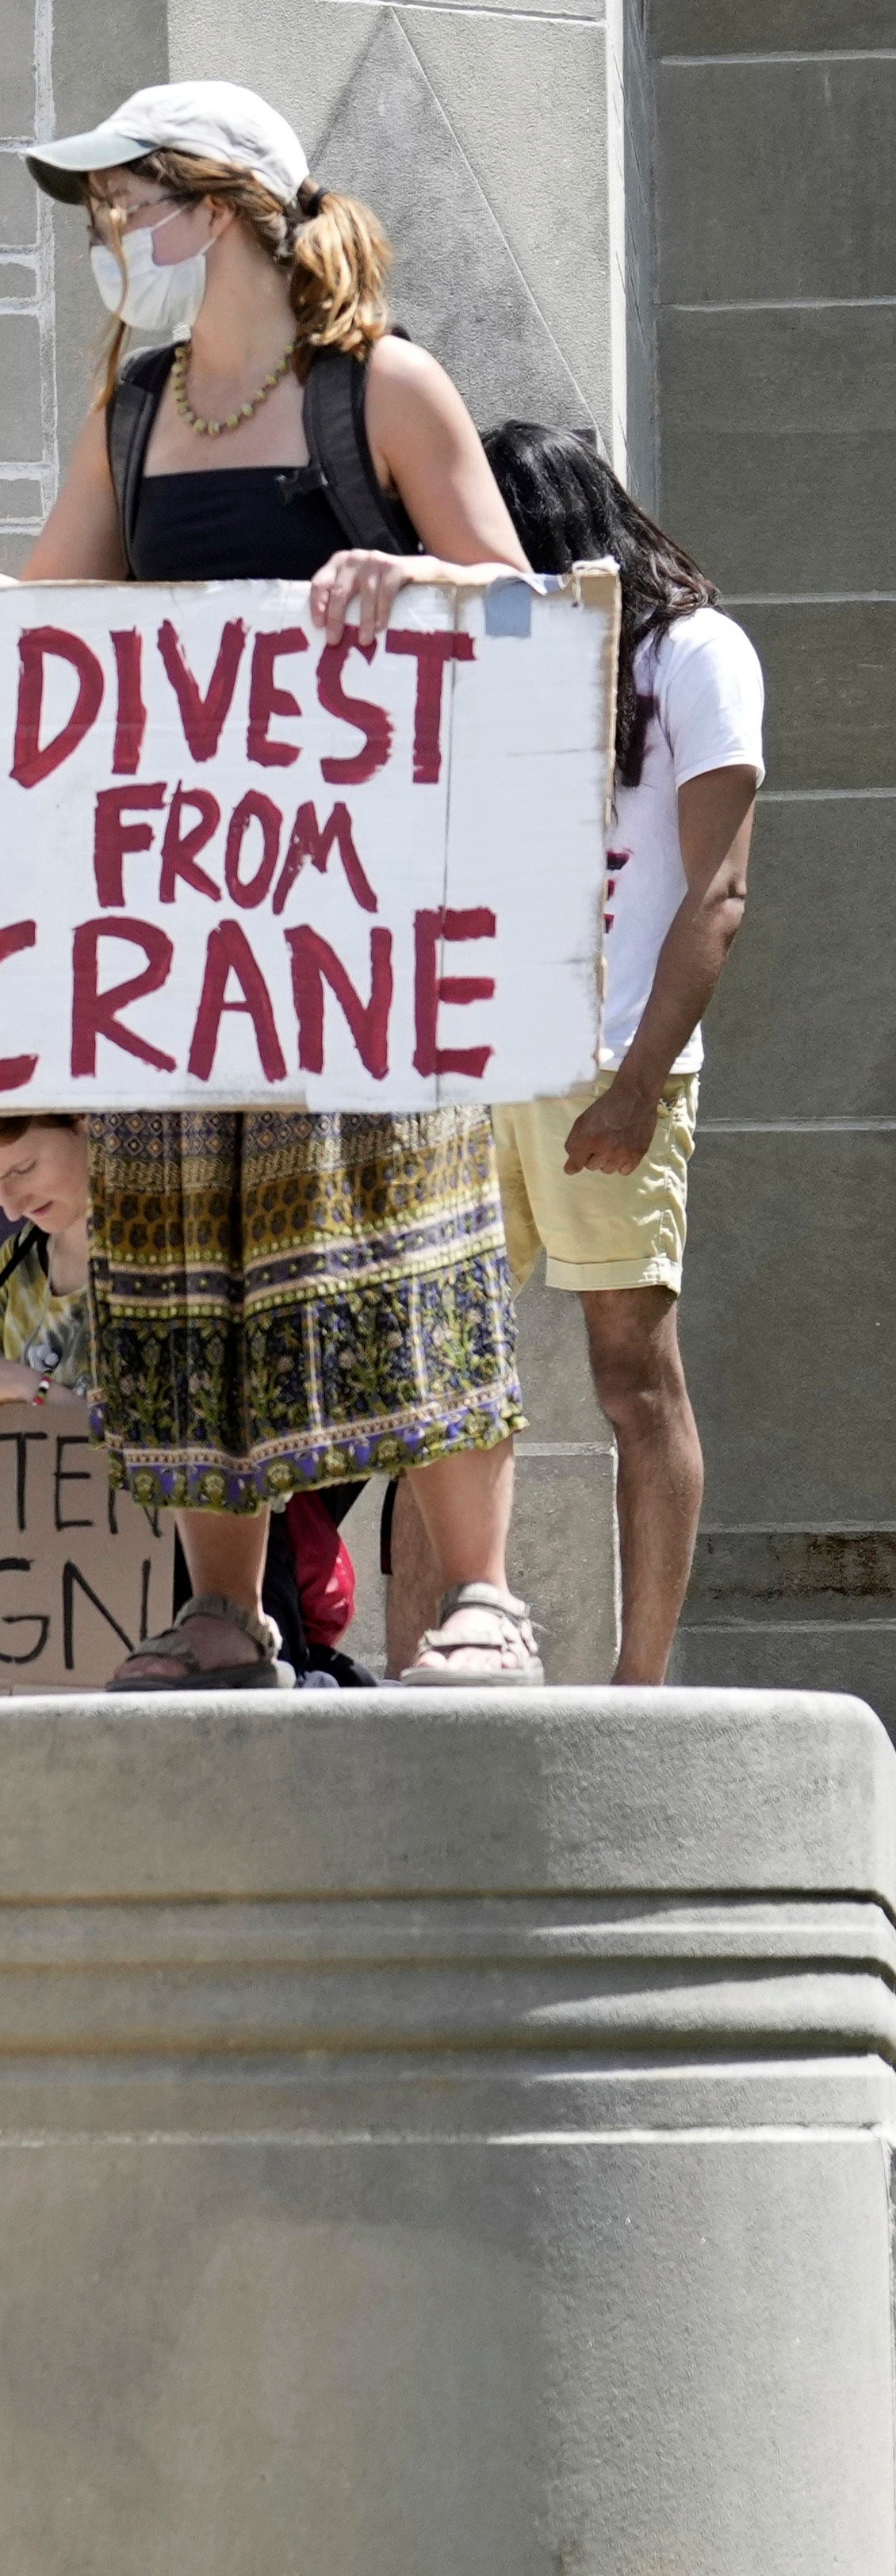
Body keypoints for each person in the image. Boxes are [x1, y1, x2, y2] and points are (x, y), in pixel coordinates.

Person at [0, 80, 543, 1686]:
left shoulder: (382, 392)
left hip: (357, 917)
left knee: (408, 1226)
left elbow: (527, 614)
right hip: (187, 931)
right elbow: (44, 634)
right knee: (177, 1255)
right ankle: (222, 1606)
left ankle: (480, 1591)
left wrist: (409, 575)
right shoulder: (129, 415)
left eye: (120, 205)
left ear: (210, 206)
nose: (106, 239)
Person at [477, 422, 760, 1686]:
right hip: (464, 1062)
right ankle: (444, 1657)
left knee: (630, 1376)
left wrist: (641, 1081)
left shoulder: (693, 652)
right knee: (443, 1384)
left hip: (606, 1060)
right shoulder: (487, 649)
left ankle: (638, 1684)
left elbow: (718, 893)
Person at [0, 1109, 365, 1680]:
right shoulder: (11, 1271)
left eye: (22, 1169)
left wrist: (20, 1386)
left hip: (205, 1576)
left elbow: (233, 1427)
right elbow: (17, 1455)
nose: (10, 1204)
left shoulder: (183, 1242)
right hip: (72, 1590)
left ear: (89, 1121)